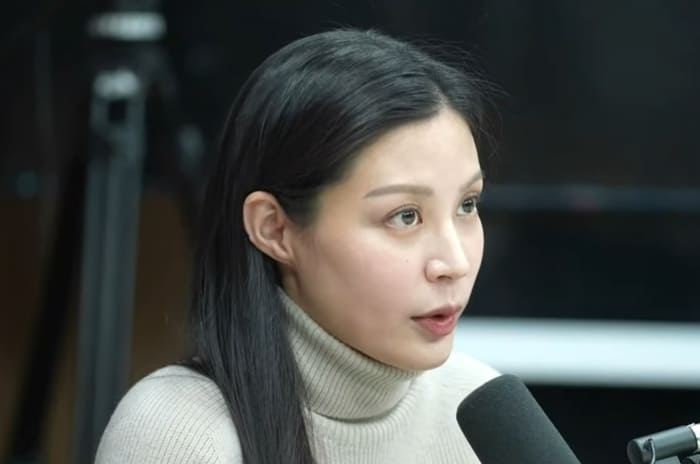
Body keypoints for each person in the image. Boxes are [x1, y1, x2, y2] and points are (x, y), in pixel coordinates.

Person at [96, 28, 499, 463]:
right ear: (275, 230)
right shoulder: (177, 434)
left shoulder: (484, 414)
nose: (454, 262)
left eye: (467, 205)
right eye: (404, 216)